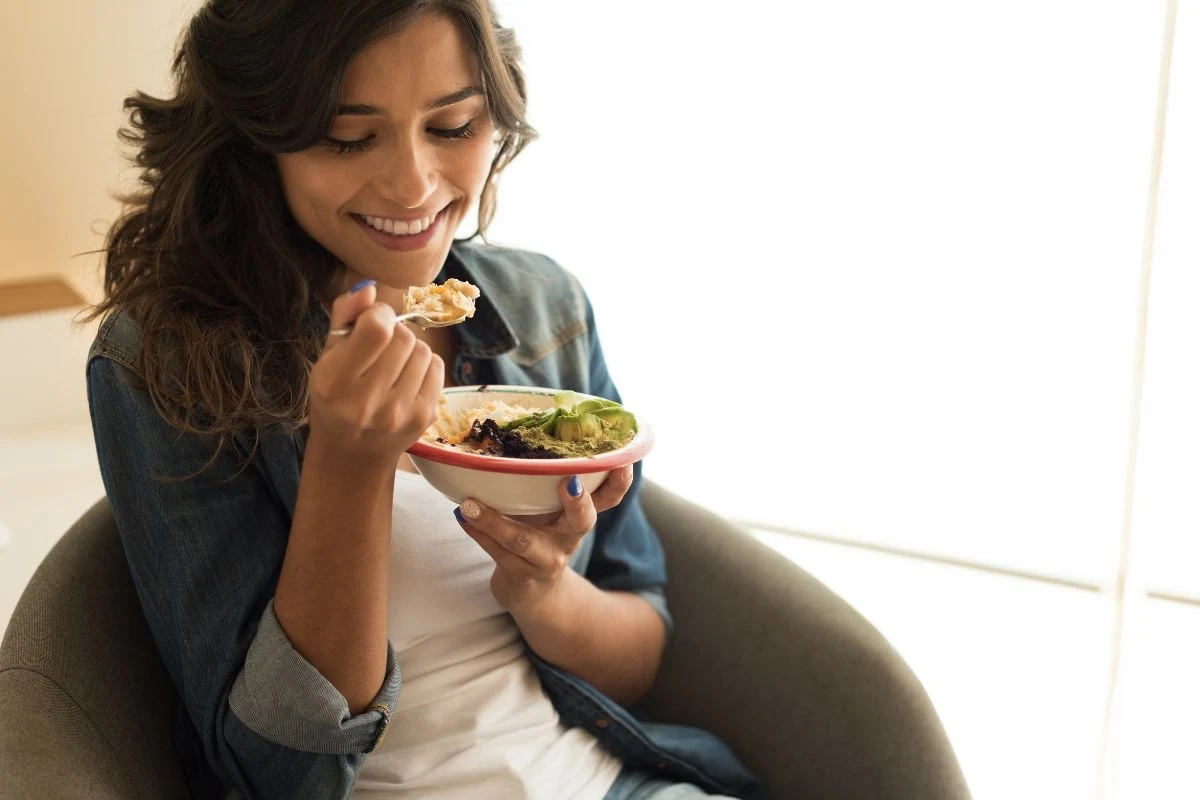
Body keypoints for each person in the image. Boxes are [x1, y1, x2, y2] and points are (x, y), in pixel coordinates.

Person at [85, 2, 762, 799]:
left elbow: (639, 653)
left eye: (453, 126)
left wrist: (544, 587)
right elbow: (274, 773)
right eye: (347, 136)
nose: (413, 183)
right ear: (254, 138)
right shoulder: (166, 363)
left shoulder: (544, 308)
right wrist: (348, 465)